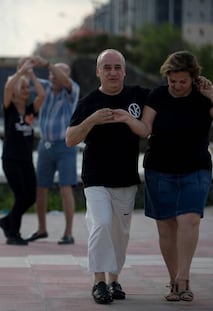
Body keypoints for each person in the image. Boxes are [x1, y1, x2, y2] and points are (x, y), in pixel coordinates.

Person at [113, 51, 213, 302]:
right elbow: (145, 129)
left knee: (189, 220)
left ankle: (184, 279)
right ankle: (173, 280)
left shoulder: (203, 97)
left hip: (196, 168)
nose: (177, 86)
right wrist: (128, 119)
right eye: (173, 81)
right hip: (160, 170)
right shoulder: (157, 96)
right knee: (166, 228)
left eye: (183, 81)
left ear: (193, 78)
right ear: (167, 77)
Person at [65, 49, 150, 304]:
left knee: (120, 234)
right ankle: (99, 281)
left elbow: (166, 100)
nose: (112, 72)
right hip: (95, 177)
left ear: (124, 70)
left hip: (126, 178)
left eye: (117, 67)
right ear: (98, 71)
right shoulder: (89, 102)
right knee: (100, 224)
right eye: (107, 67)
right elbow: (70, 139)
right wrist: (91, 120)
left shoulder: (137, 95)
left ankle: (114, 279)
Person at [25, 56, 80, 245]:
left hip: (66, 146)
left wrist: (48, 63)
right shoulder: (45, 87)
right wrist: (29, 65)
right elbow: (24, 74)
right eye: (51, 73)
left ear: (67, 75)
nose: (53, 76)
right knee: (40, 189)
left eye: (58, 73)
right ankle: (41, 229)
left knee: (66, 189)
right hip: (45, 145)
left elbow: (64, 81)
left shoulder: (72, 90)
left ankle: (68, 233)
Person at [0, 58, 45, 245]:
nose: (27, 91)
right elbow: (7, 88)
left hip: (26, 160)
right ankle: (12, 233)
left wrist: (31, 74)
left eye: (27, 88)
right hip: (11, 159)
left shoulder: (31, 110)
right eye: (23, 88)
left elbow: (42, 95)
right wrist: (20, 73)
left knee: (31, 196)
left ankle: (7, 221)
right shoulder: (9, 110)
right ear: (16, 92)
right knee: (21, 196)